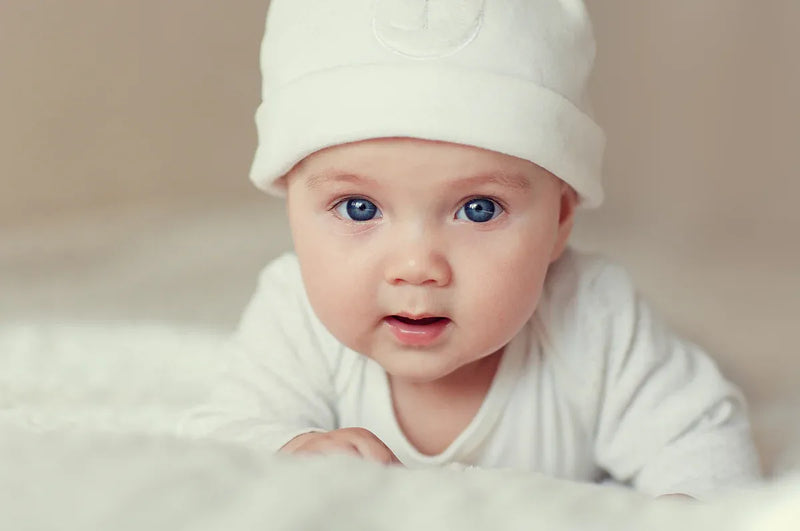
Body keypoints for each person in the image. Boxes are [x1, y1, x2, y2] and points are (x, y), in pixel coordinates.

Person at [180, 0, 760, 498]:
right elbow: (223, 438)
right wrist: (291, 450)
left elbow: (700, 439)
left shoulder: (593, 314)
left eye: (478, 209)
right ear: (291, 208)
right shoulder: (294, 314)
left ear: (560, 218)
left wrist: (692, 507)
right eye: (360, 208)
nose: (417, 267)